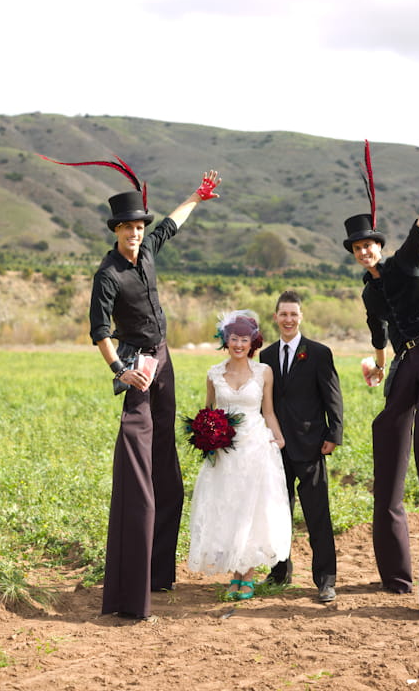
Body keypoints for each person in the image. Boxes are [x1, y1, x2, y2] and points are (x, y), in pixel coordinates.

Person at [89, 168, 221, 621]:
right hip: (138, 367)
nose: (136, 234)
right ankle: (131, 575)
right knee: (138, 459)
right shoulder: (107, 275)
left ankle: (158, 572)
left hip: (165, 361)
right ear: (116, 231)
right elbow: (98, 332)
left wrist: (196, 197)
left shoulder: (148, 251)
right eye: (129, 228)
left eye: (139, 228)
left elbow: (171, 224)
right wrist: (120, 370)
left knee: (166, 460)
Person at [343, 153, 419, 618]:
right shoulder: (369, 291)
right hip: (405, 360)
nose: (364, 252)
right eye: (356, 249)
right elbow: (380, 336)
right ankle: (395, 575)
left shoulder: (404, 262)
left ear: (377, 244)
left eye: (368, 245)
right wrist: (377, 366)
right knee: (387, 426)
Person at [187, 311, 291, 600]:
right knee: (229, 507)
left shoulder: (263, 372)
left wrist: (279, 439)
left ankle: (247, 575)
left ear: (252, 342)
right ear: (226, 340)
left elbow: (267, 411)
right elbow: (207, 412)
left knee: (253, 508)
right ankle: (235, 572)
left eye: (244, 339)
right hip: (224, 451)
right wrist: (206, 436)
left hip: (255, 447)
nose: (239, 344)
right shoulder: (213, 373)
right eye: (234, 338)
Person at [260, 291, 344, 603]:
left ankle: (325, 580)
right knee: (278, 513)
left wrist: (334, 433)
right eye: (283, 314)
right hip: (276, 446)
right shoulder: (266, 356)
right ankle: (279, 571)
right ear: (275, 317)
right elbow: (265, 402)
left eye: (293, 314)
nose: (288, 319)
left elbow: (332, 395)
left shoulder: (319, 353)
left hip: (311, 446)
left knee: (317, 515)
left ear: (301, 317)